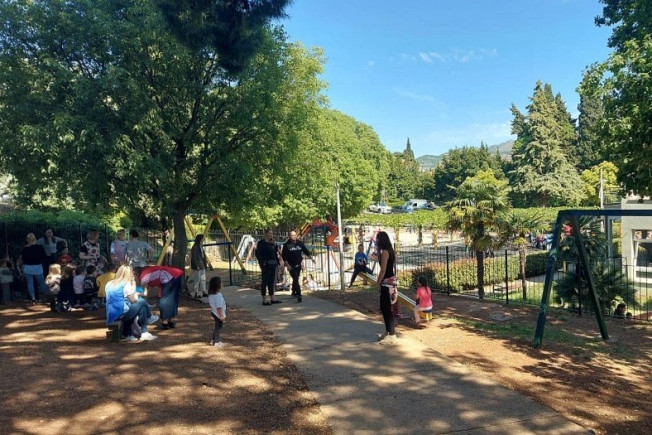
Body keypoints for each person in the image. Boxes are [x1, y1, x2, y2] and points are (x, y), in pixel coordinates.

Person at [105, 265, 158, 342]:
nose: (132, 275)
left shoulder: (109, 283)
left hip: (111, 313)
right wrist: (134, 285)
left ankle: (129, 334)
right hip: (121, 312)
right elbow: (133, 300)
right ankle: (148, 320)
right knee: (142, 302)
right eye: (131, 273)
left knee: (140, 307)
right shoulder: (126, 284)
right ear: (127, 274)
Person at [140, 265, 184, 330]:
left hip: (168, 278)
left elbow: (145, 290)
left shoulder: (143, 275)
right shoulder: (151, 270)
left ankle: (164, 322)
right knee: (173, 298)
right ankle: (170, 321)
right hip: (176, 275)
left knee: (164, 299)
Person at [375, 231, 398, 344]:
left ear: (381, 240)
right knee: (385, 307)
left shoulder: (385, 252)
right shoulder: (390, 251)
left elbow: (383, 270)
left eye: (377, 239)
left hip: (386, 282)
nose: (376, 241)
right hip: (391, 281)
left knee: (386, 308)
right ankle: (388, 331)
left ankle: (392, 334)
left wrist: (378, 282)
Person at [282, 230, 313, 303]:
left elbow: (305, 250)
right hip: (291, 265)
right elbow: (284, 256)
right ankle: (299, 295)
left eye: (295, 235)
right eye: (292, 235)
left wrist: (311, 258)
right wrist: (287, 265)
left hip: (298, 264)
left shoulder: (299, 243)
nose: (294, 236)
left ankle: (293, 291)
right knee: (295, 278)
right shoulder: (286, 245)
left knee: (296, 278)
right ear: (289, 236)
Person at [255, 229, 282, 306]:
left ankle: (272, 297)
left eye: (272, 233)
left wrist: (278, 262)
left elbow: (276, 253)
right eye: (270, 233)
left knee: (271, 281)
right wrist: (262, 262)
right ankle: (264, 299)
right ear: (265, 234)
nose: (271, 235)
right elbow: (258, 254)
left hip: (273, 264)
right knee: (265, 281)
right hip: (266, 264)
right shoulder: (261, 243)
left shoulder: (272, 243)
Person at [20, 233, 48, 303]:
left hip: (28, 267)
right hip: (38, 266)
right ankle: (47, 296)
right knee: (41, 283)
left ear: (27, 240)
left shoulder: (24, 248)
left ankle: (33, 298)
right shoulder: (40, 247)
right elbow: (44, 256)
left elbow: (23, 258)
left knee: (30, 283)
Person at [208, 276, 227, 347]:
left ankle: (213, 339)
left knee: (217, 327)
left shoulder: (211, 295)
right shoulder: (217, 296)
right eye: (221, 283)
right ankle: (217, 341)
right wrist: (221, 315)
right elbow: (219, 307)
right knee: (218, 328)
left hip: (214, 312)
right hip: (218, 314)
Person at [189, 234, 208, 298]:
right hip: (197, 266)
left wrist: (205, 264)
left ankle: (204, 291)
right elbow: (194, 257)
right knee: (197, 280)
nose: (203, 240)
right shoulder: (195, 247)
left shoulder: (201, 246)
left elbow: (203, 256)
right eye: (202, 239)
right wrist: (196, 265)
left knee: (203, 279)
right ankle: (196, 293)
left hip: (202, 265)